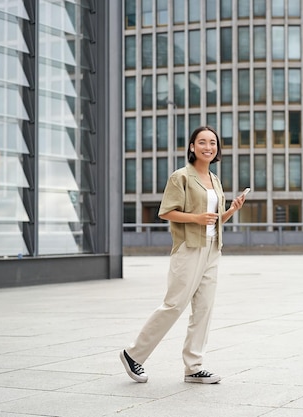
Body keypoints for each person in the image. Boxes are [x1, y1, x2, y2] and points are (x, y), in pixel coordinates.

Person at [120, 126, 246, 384]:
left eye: (213, 142)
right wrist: (197, 218)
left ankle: (194, 366)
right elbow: (166, 212)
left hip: (212, 248)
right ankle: (133, 354)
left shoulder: (215, 179)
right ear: (192, 147)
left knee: (204, 308)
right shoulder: (181, 177)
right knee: (174, 304)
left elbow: (214, 220)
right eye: (202, 142)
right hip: (189, 248)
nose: (208, 147)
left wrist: (231, 210)